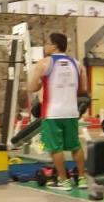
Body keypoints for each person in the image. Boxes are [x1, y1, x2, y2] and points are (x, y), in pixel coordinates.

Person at [27, 33, 88, 190]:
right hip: (71, 112)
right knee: (75, 146)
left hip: (52, 113)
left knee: (56, 148)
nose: (46, 46)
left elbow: (33, 87)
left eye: (47, 43)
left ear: (54, 46)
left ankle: (64, 181)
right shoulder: (77, 64)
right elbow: (83, 89)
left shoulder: (43, 63)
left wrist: (41, 83)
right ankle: (82, 179)